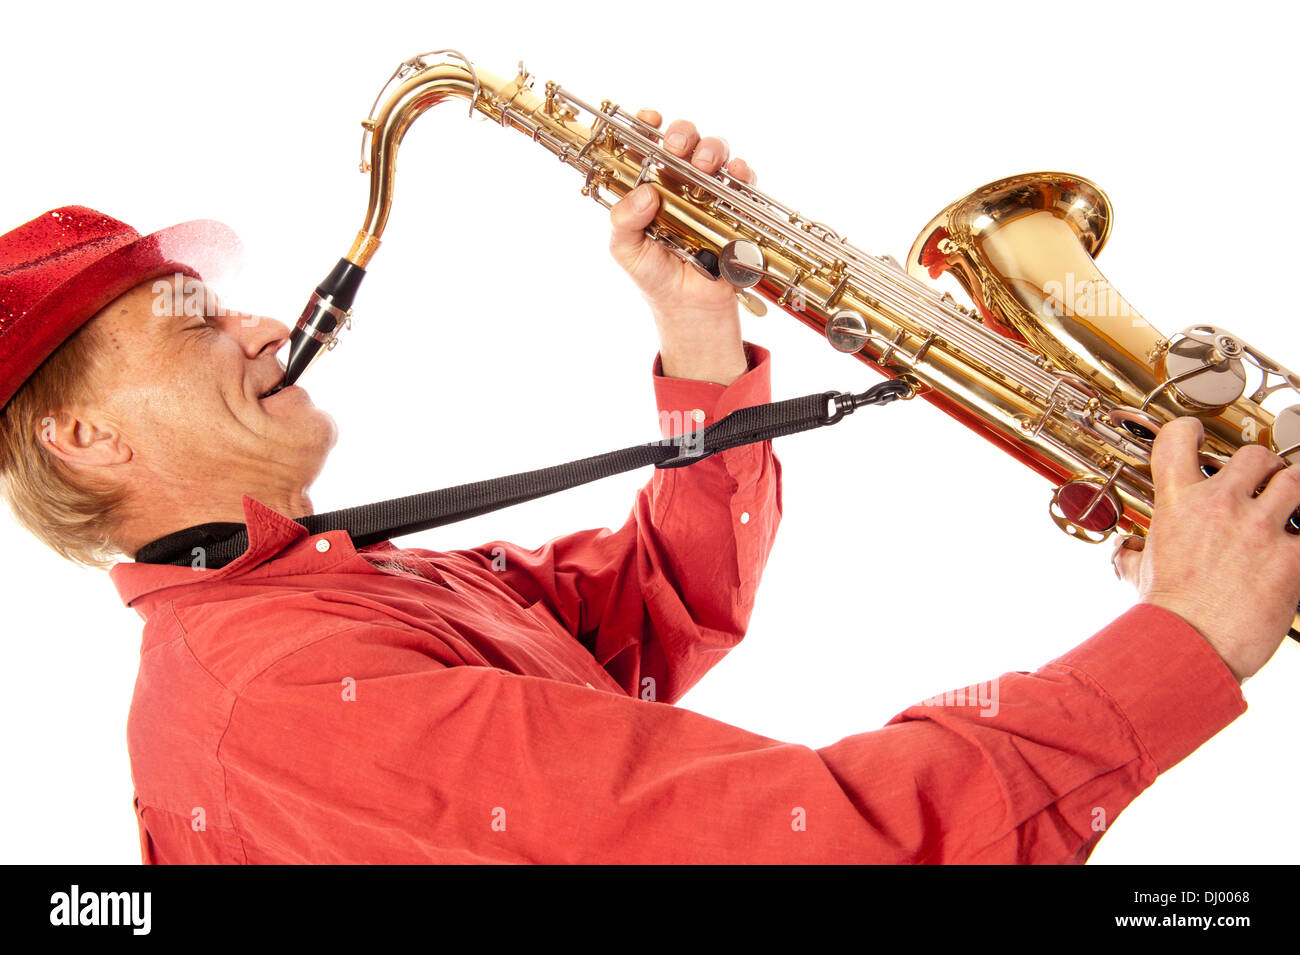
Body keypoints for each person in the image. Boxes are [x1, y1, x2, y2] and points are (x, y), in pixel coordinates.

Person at [0, 113, 1294, 864]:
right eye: (193, 326)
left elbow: (649, 614)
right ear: (83, 439)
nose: (269, 324)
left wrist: (698, 330)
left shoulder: (321, 595)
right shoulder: (281, 696)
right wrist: (1185, 636)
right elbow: (819, 844)